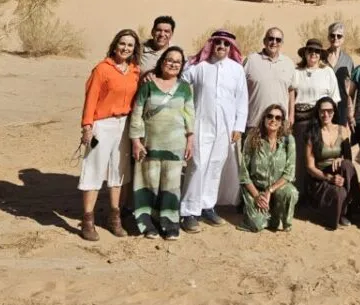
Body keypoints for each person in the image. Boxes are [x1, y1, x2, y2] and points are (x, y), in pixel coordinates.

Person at [180, 29, 248, 232]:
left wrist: (239, 126)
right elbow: (181, 80)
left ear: (231, 47)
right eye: (218, 42)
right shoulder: (200, 66)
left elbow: (242, 100)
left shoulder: (237, 69)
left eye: (226, 44)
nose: (222, 46)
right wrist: (189, 61)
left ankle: (207, 206)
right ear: (212, 44)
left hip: (226, 127)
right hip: (201, 124)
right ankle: (189, 211)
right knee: (197, 165)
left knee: (216, 166)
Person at [78, 29, 142, 241]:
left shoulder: (135, 71)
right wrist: (87, 127)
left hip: (124, 125)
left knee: (119, 171)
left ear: (134, 49)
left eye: (130, 45)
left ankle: (114, 217)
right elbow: (91, 99)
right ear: (115, 45)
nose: (125, 48)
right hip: (102, 125)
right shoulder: (102, 69)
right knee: (93, 168)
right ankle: (88, 220)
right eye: (122, 44)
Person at [129, 46, 195, 240]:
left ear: (181, 66)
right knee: (147, 183)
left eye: (178, 62)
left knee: (171, 186)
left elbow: (190, 115)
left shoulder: (184, 88)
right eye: (169, 60)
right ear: (162, 61)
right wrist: (136, 141)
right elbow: (137, 114)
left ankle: (170, 222)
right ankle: (146, 222)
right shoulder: (148, 85)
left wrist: (190, 140)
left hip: (175, 145)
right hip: (149, 144)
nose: (173, 64)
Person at [290, 39, 341, 196]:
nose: (313, 54)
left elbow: (334, 99)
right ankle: (299, 195)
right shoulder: (297, 71)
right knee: (300, 158)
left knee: (319, 158)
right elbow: (291, 95)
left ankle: (318, 195)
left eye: (317, 51)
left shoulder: (327, 72)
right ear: (305, 53)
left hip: (321, 119)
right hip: (300, 119)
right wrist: (290, 116)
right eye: (310, 50)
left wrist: (331, 123)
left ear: (321, 55)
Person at [239, 103, 299, 232]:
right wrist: (257, 195)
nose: (273, 120)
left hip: (276, 189)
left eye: (278, 118)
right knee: (256, 225)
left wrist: (270, 190)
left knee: (291, 192)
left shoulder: (288, 140)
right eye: (270, 116)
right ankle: (260, 215)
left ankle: (279, 218)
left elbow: (289, 173)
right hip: (256, 189)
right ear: (264, 118)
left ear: (282, 122)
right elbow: (244, 173)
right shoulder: (252, 138)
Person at [305, 96, 359, 229]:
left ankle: (348, 208)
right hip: (320, 176)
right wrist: (329, 178)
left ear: (334, 112)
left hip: (340, 171)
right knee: (338, 192)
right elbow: (310, 167)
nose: (326, 114)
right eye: (322, 111)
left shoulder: (342, 130)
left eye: (329, 111)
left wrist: (340, 159)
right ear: (317, 112)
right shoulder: (312, 133)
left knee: (346, 165)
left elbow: (349, 159)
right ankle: (339, 214)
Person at [243, 27, 295, 133]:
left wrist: (291, 116)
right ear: (264, 41)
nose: (274, 42)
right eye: (271, 38)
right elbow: (240, 88)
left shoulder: (288, 63)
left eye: (278, 40)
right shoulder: (251, 60)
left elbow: (291, 90)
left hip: (279, 124)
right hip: (254, 124)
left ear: (282, 43)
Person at [325, 22, 354, 126]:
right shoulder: (321, 57)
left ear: (343, 39)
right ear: (328, 37)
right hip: (324, 105)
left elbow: (350, 89)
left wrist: (350, 113)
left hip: (342, 106)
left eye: (339, 36)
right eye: (332, 35)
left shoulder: (348, 60)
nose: (335, 38)